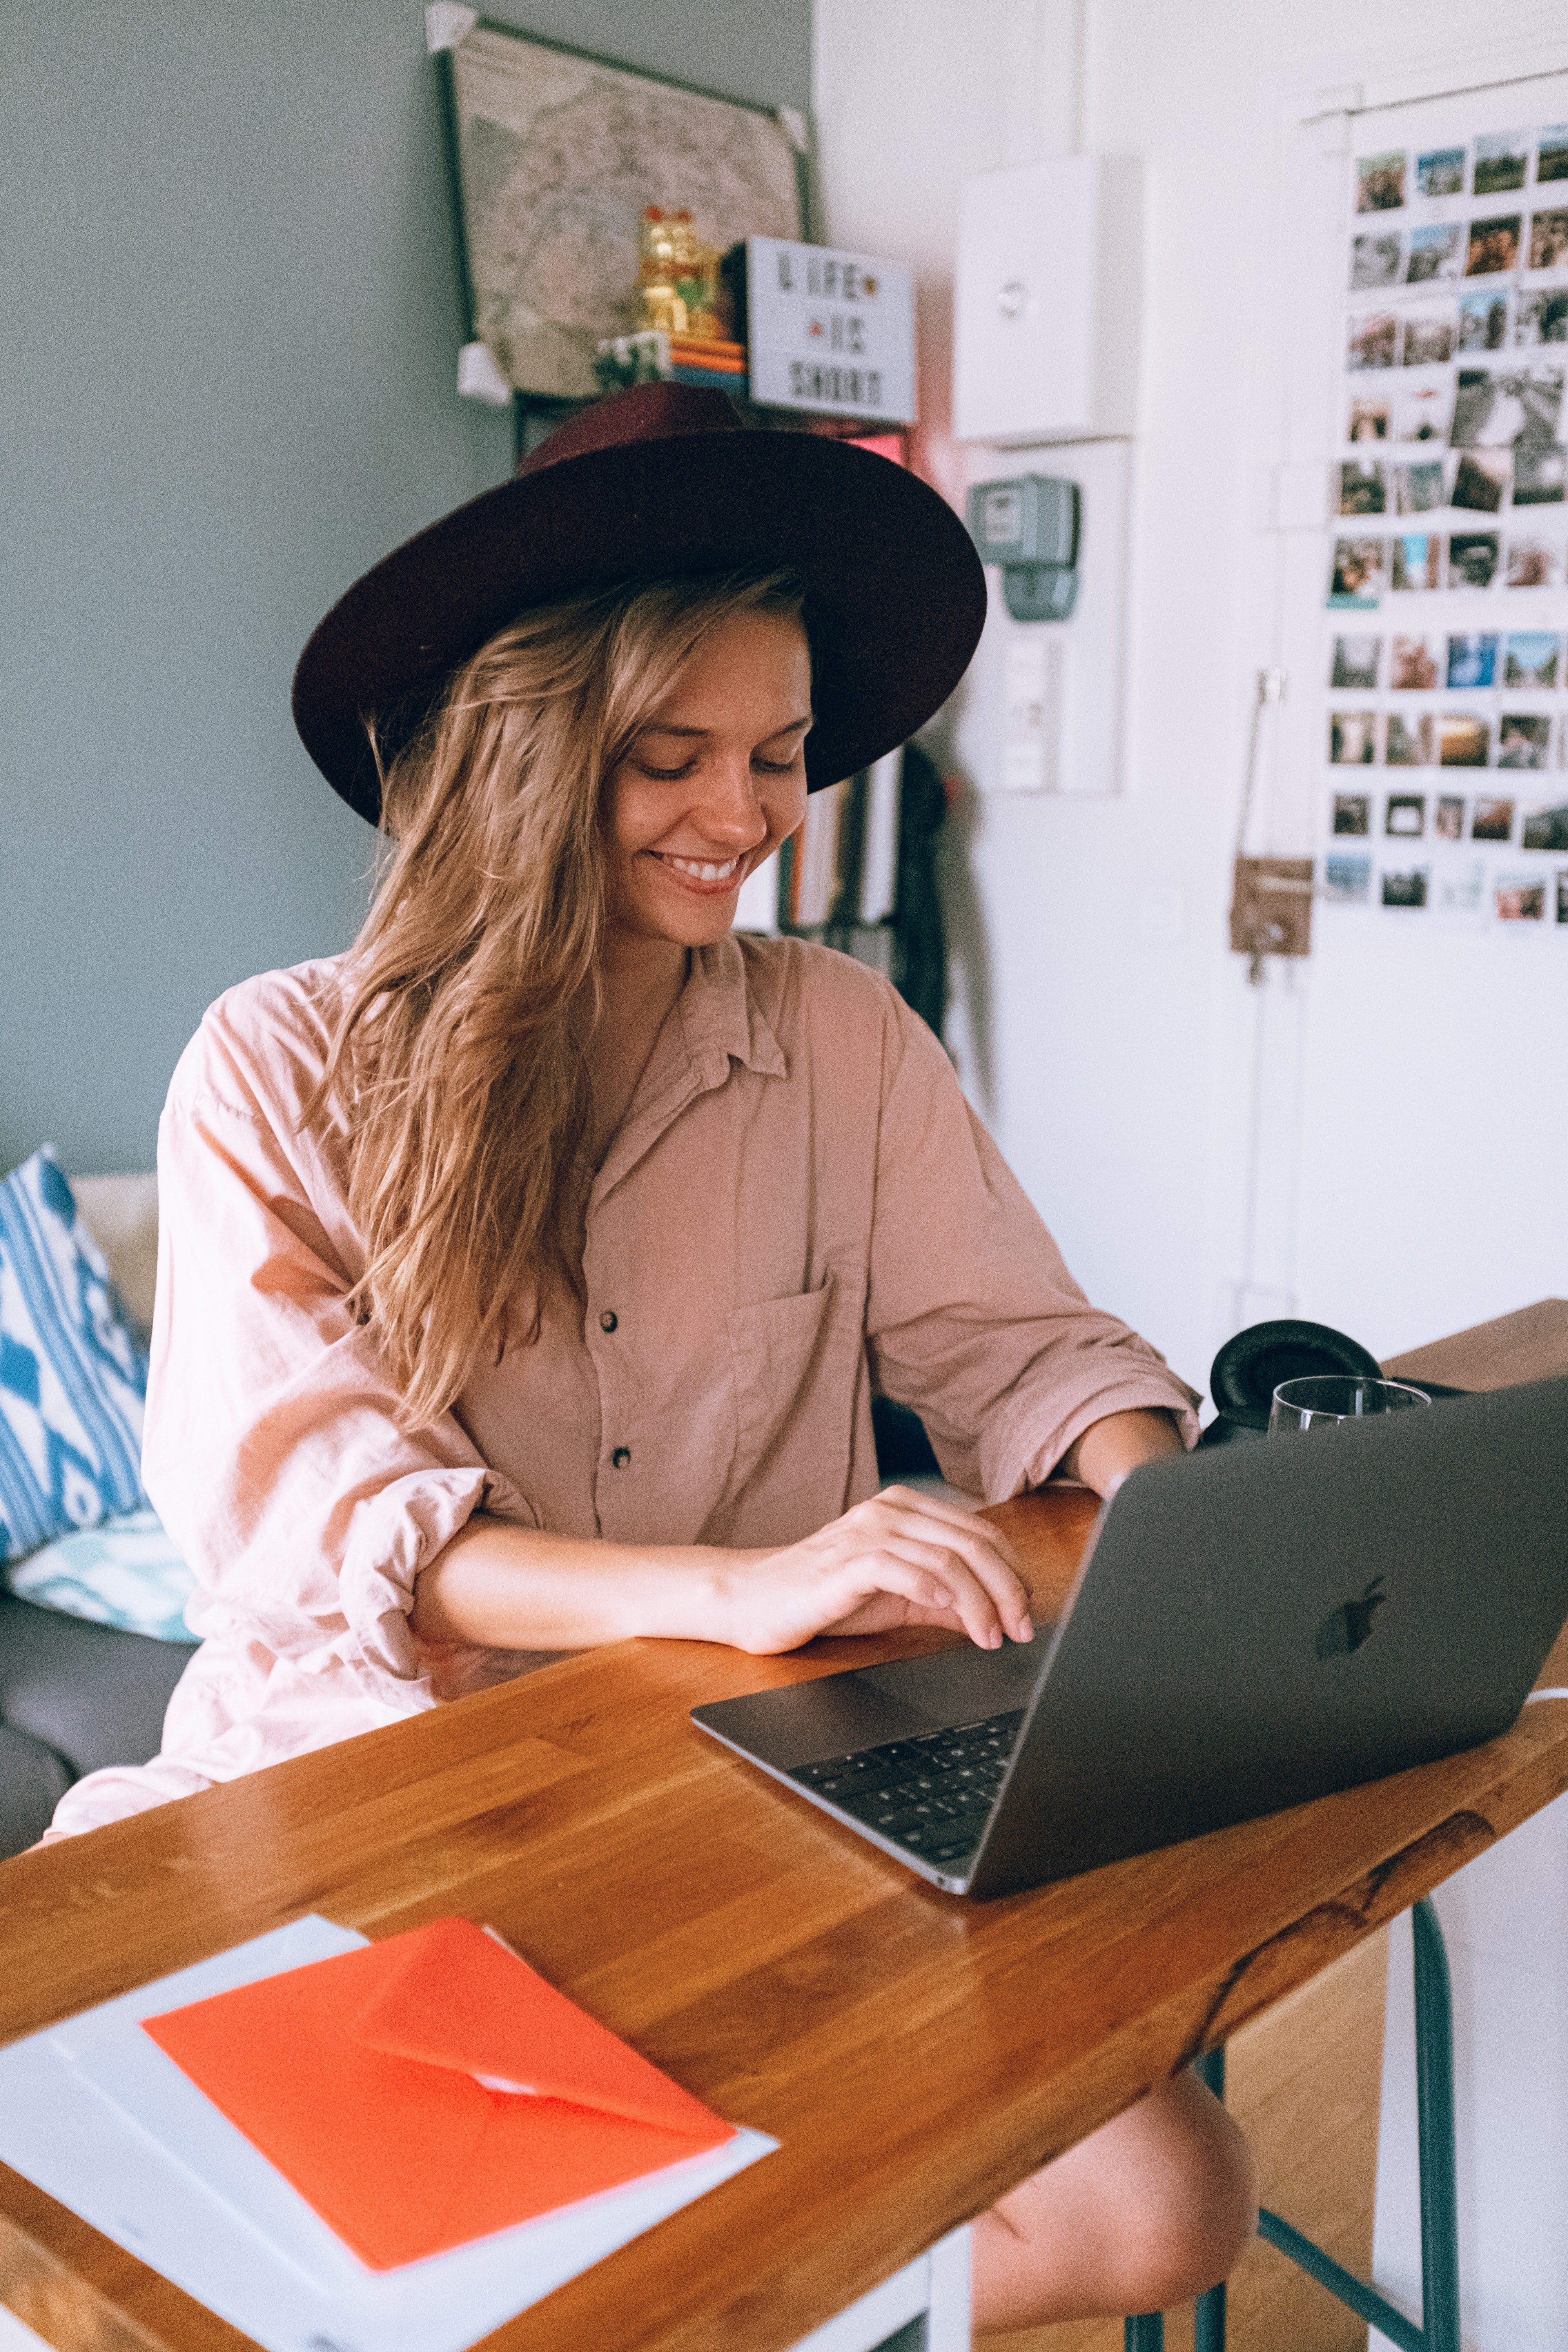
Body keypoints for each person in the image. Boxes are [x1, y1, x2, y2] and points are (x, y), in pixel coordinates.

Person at [47, 383, 1253, 2329]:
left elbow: (1022, 1346)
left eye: (778, 756)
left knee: (1163, 2196)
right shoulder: (276, 1068)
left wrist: (1179, 1504)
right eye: (667, 757)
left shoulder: (842, 1037)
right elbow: (342, 1532)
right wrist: (758, 1582)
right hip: (370, 1785)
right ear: (525, 754)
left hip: (735, 1779)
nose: (745, 819)